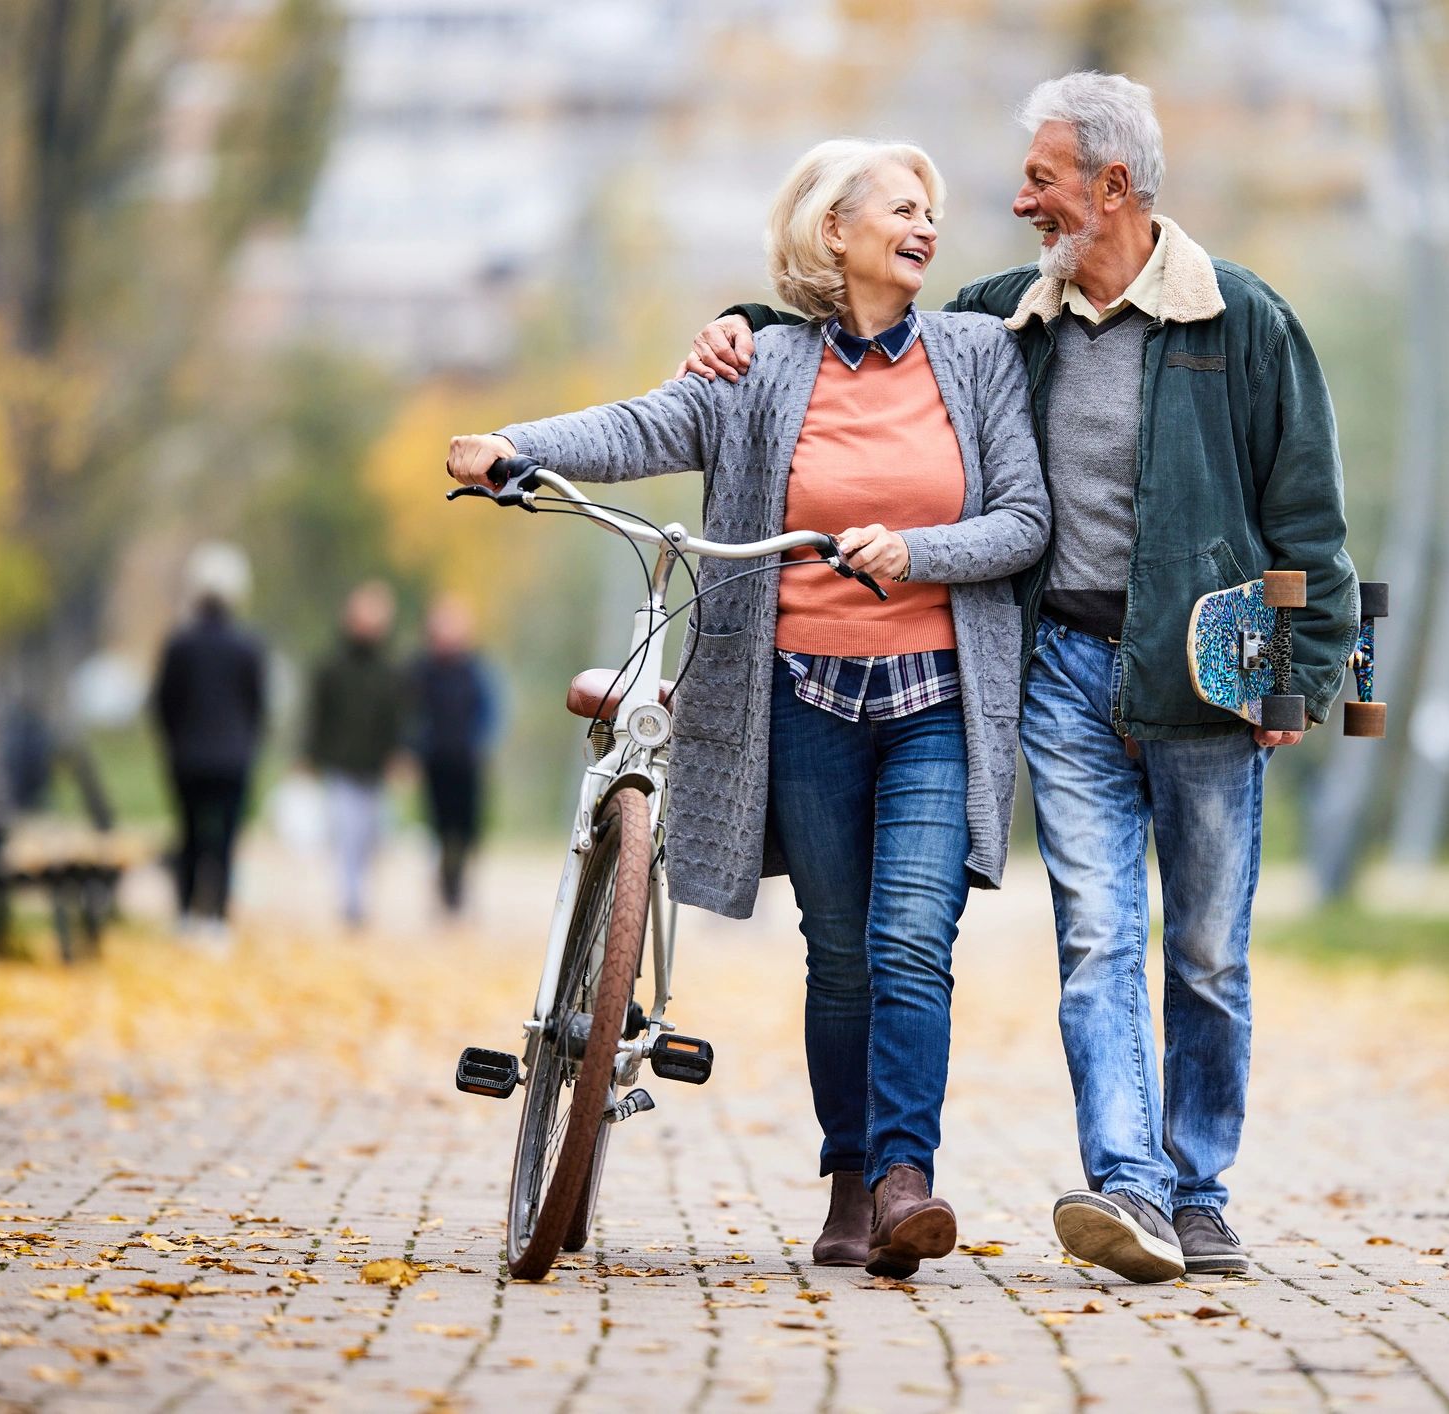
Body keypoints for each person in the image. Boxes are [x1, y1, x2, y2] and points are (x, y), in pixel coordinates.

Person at [680, 73, 1359, 1283]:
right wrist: (738, 318)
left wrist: (1298, 687)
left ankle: (1199, 1190)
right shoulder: (1008, 320)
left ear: (1111, 184)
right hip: (1062, 671)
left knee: (1205, 952)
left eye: (1042, 178)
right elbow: (855, 324)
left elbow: (1307, 517)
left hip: (1209, 677)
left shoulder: (1241, 319)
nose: (1018, 200)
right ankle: (1130, 1190)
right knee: (1098, 936)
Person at [445, 139, 1048, 1279]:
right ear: (834, 230)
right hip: (803, 697)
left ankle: (905, 1178)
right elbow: (643, 427)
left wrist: (917, 549)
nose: (927, 227)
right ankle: (848, 1180)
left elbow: (1023, 519)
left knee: (910, 940)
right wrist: (515, 446)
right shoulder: (762, 366)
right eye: (902, 209)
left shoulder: (974, 355)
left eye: (933, 213)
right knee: (839, 955)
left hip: (934, 700)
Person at [151, 542, 266, 940]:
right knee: (225, 841)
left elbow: (163, 703)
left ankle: (185, 914)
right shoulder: (247, 646)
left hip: (188, 758)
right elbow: (257, 706)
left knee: (189, 836)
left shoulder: (179, 644)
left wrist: (175, 742)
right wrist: (247, 745)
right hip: (233, 760)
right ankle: (217, 917)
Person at [305, 580, 406, 928]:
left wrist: (399, 756)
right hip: (342, 766)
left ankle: (360, 893)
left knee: (372, 839)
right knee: (346, 836)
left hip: (376, 769)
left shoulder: (391, 672)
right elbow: (318, 716)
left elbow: (398, 719)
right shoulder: (331, 667)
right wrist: (310, 756)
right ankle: (351, 900)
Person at [410, 596, 499, 916]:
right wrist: (415, 746)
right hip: (435, 760)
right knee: (439, 826)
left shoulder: (476, 670)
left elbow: (491, 711)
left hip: (467, 760)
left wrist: (480, 741)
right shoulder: (420, 670)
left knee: (467, 827)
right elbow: (409, 713)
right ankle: (444, 886)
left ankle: (459, 886)